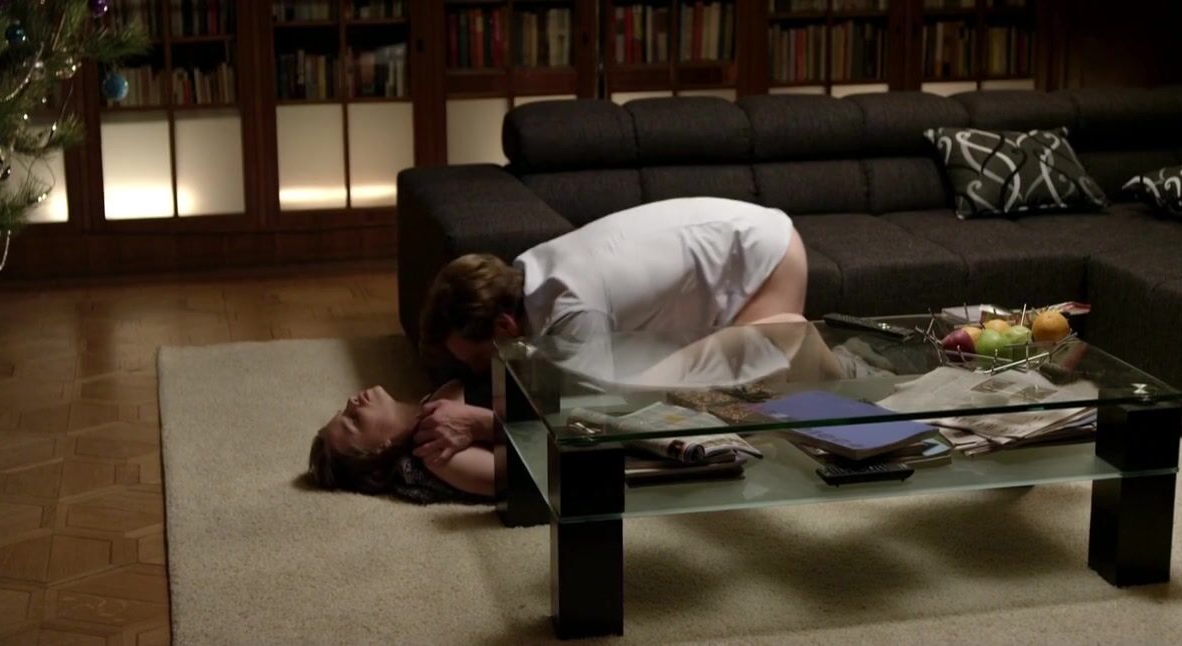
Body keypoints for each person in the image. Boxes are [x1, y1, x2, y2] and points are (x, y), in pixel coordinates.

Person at [420, 197, 809, 374]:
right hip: (732, 232)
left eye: (478, 359)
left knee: (740, 393)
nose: (477, 370)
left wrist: (479, 425)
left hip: (765, 255)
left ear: (505, 325)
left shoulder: (571, 308)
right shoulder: (527, 272)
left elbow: (588, 418)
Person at [306, 379, 497, 503]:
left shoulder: (429, 406)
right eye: (355, 420)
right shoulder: (435, 451)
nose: (351, 401)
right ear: (379, 449)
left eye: (344, 410)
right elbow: (511, 477)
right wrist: (484, 424)